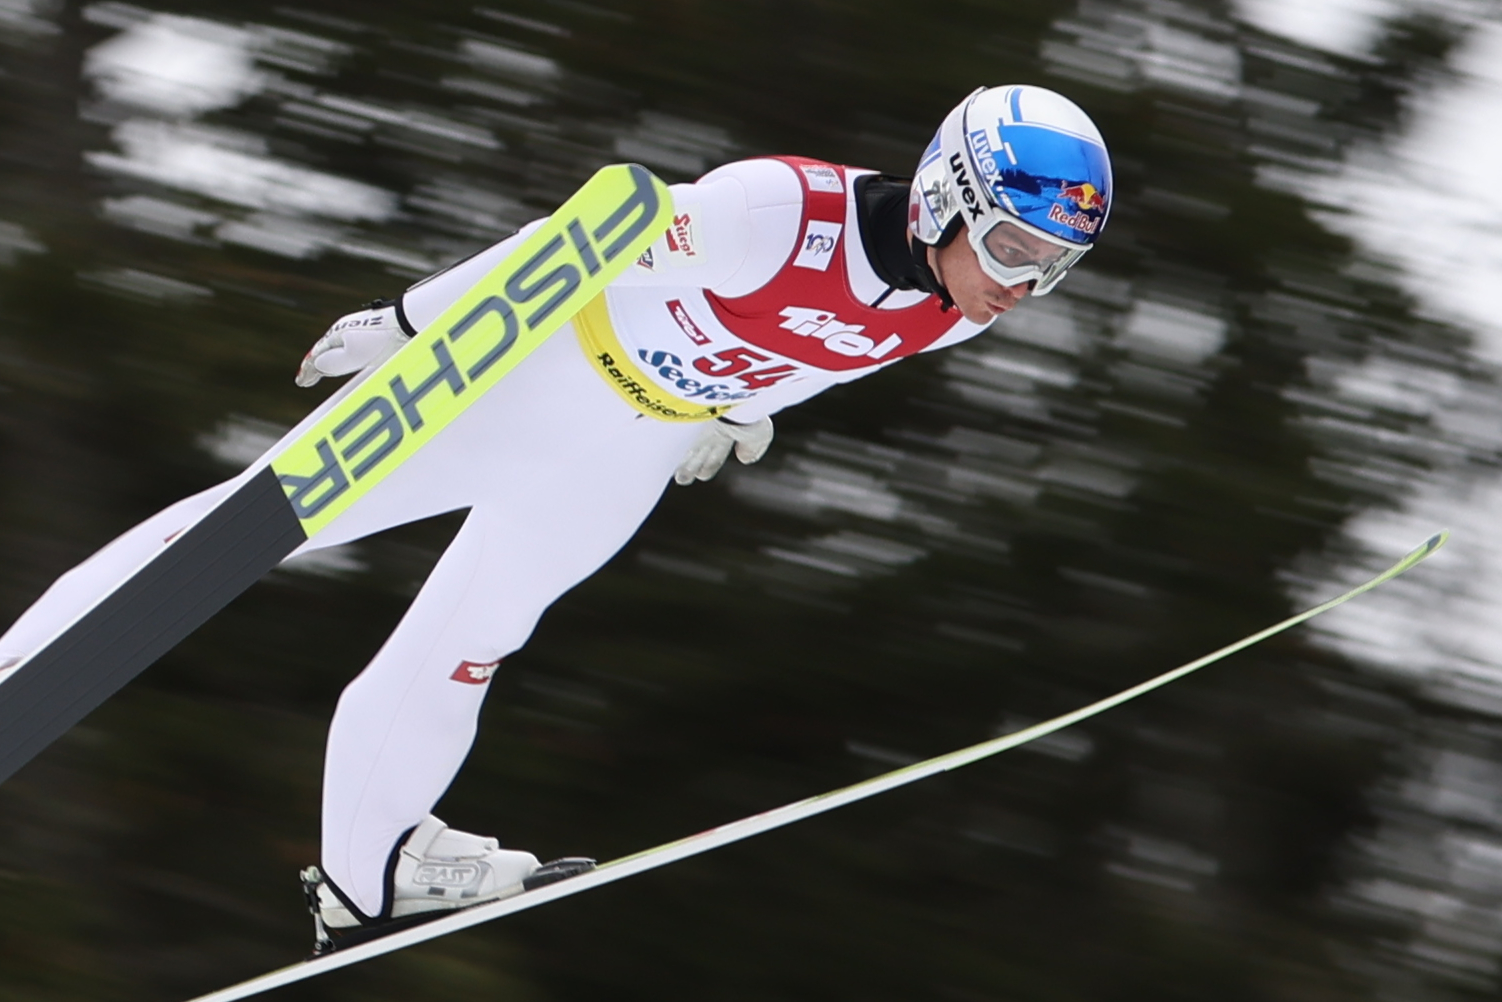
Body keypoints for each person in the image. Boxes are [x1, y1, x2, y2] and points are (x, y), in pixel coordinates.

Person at [0, 84, 1112, 931]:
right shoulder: (774, 212)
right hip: (533, 373)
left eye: (1052, 266)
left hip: (629, 445)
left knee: (474, 639)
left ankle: (370, 863)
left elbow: (831, 348)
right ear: (943, 194)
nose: (1019, 283)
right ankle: (23, 676)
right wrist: (411, 320)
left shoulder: (956, 308)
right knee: (254, 527)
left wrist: (736, 408)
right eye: (1015, 247)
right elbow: (576, 244)